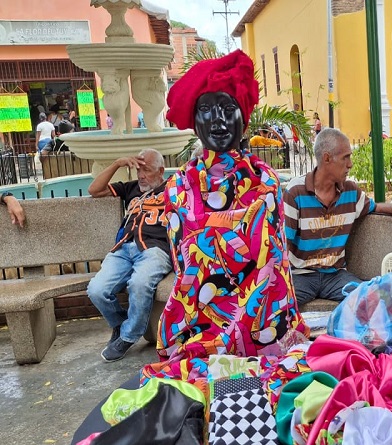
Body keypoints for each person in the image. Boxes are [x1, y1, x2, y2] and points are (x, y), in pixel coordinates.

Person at [142, 50, 308, 380]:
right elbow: (184, 266)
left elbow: (274, 265)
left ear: (243, 118)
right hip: (200, 328)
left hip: (265, 329)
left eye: (227, 108)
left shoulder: (266, 184)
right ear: (193, 118)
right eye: (206, 109)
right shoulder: (178, 188)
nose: (217, 119)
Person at [284, 127, 392, 305]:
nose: (350, 164)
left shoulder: (350, 193)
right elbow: (283, 244)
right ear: (327, 158)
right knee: (279, 308)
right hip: (301, 276)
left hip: (335, 276)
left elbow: (376, 206)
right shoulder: (295, 193)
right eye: (345, 157)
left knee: (377, 300)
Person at [86, 149, 173, 362]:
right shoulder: (130, 188)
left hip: (155, 249)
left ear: (161, 171)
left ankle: (128, 336)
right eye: (138, 170)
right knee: (96, 290)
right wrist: (117, 164)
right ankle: (120, 324)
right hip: (123, 249)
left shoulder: (174, 187)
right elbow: (94, 190)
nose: (141, 175)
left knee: (140, 284)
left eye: (147, 171)